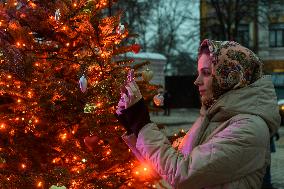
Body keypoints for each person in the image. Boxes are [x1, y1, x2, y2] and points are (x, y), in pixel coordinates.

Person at [116, 39, 280, 189]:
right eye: (199, 72)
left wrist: (142, 123)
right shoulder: (211, 117)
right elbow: (164, 174)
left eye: (206, 73)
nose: (197, 81)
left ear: (230, 76)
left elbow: (181, 174)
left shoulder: (249, 128)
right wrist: (133, 126)